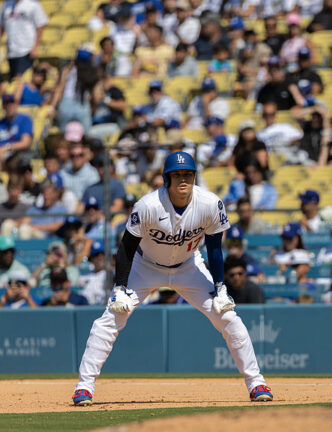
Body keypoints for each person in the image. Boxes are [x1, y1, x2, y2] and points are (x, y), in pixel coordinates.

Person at [71, 152, 273, 406]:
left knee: (228, 317)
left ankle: (256, 383)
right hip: (146, 266)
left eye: (187, 174)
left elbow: (214, 249)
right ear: (166, 178)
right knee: (111, 318)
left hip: (189, 266)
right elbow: (126, 248)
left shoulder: (209, 203)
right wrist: (120, 287)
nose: (183, 179)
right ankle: (84, 386)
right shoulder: (148, 205)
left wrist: (220, 287)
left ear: (194, 176)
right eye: (176, 175)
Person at [0, 0, 48, 78]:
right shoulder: (6, 5)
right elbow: (1, 26)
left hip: (26, 50)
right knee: (14, 82)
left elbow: (40, 26)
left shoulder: (32, 4)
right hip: (11, 51)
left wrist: (35, 46)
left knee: (23, 81)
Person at [78, 240, 108, 305]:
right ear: (91, 259)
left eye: (103, 254)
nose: (100, 257)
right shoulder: (83, 277)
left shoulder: (111, 275)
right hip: (86, 307)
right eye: (96, 255)